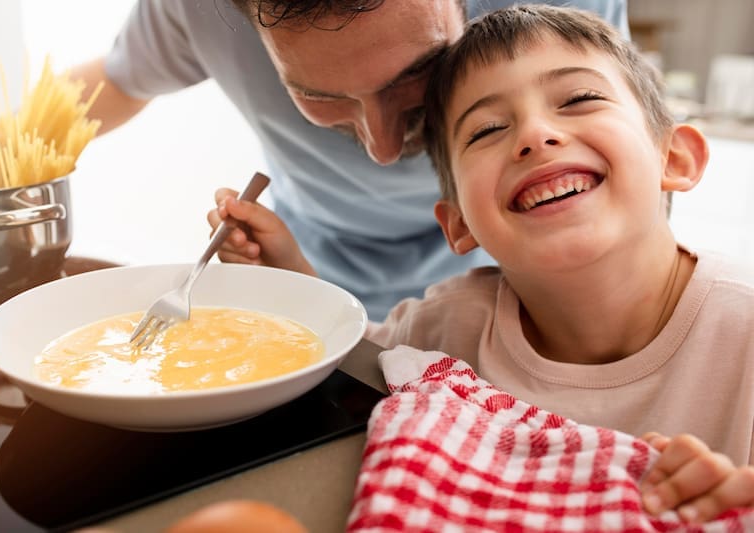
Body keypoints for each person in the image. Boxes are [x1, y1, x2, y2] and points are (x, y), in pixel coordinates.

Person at [206, 4, 754, 522]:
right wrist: (288, 276)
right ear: (459, 224)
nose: (535, 136)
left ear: (675, 158)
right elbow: (353, 362)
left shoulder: (744, 332)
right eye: (488, 130)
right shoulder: (445, 330)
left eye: (579, 99)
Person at [70, 0, 628, 321]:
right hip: (314, 286)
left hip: (528, 292)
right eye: (321, 96)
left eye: (420, 72)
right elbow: (112, 85)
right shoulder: (192, 11)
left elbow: (627, 151)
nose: (384, 150)